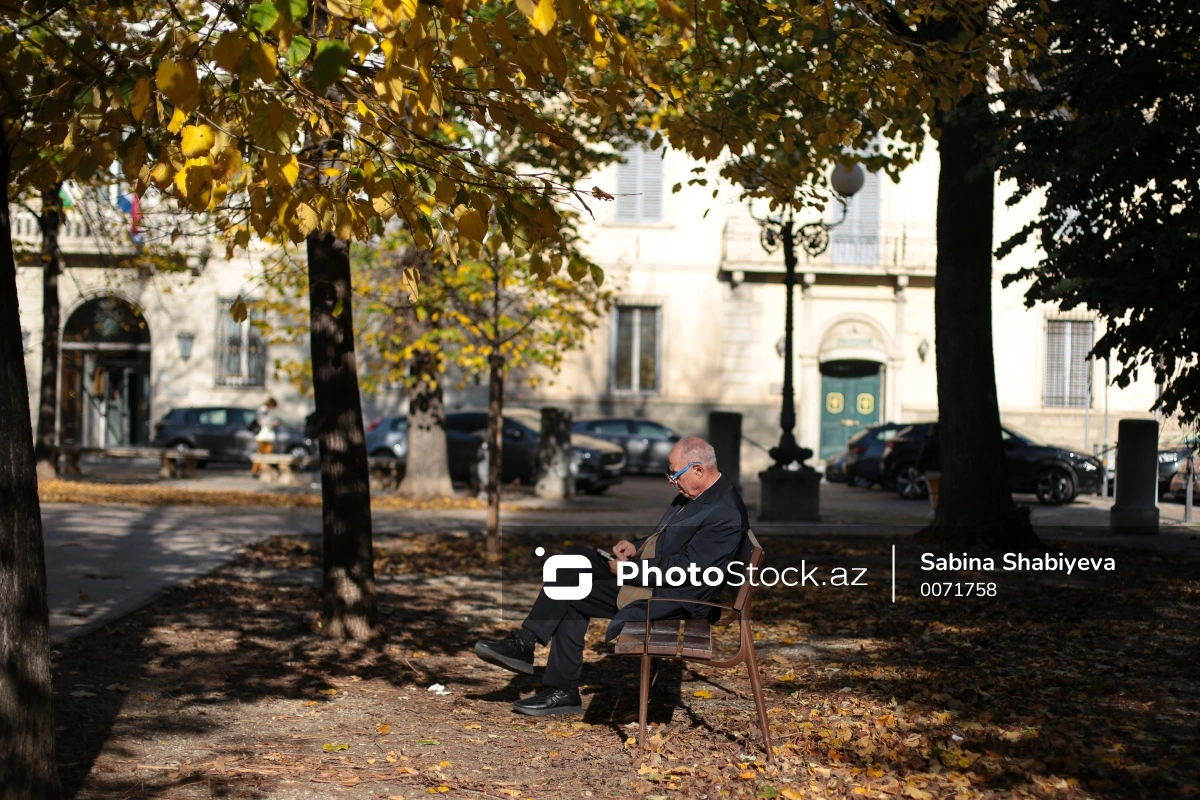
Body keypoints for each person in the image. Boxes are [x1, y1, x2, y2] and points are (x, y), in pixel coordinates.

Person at [474, 437, 748, 716]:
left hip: (679, 596)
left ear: (698, 469)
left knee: (570, 592)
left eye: (674, 473)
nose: (670, 481)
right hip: (661, 576)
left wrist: (631, 570)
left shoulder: (724, 513)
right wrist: (636, 546)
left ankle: (557, 684)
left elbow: (689, 570)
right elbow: (671, 541)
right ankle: (527, 644)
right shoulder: (701, 495)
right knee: (573, 559)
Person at [916, 423, 940, 515]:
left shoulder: (929, 441)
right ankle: (937, 508)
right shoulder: (944, 442)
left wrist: (918, 469)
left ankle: (935, 508)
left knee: (933, 491)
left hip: (931, 471)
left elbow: (923, 457)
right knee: (938, 490)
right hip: (941, 470)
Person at [252, 397, 280, 476]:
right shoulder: (263, 410)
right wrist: (273, 423)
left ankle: (259, 470)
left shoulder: (266, 410)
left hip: (267, 435)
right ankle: (256, 471)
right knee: (263, 454)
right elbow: (262, 421)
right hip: (263, 435)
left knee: (264, 454)